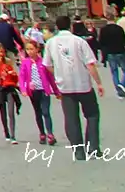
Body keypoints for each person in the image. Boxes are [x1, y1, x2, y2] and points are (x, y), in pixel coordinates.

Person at [42, 13, 104, 162]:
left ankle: (78, 151)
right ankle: (93, 148)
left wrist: (58, 74)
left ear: (57, 27)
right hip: (83, 84)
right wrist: (99, 82)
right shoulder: (79, 41)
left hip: (65, 86)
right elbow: (90, 64)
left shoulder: (51, 43)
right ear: (70, 25)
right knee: (92, 115)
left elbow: (47, 65)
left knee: (71, 118)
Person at [19, 37, 57, 147]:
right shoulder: (25, 63)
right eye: (27, 49)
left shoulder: (43, 62)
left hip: (44, 90)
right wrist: (23, 89)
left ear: (37, 49)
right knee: (38, 112)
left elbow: (50, 78)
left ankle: (50, 133)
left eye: (32, 49)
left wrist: (56, 91)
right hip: (33, 91)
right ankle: (42, 133)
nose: (29, 51)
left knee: (46, 111)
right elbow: (22, 77)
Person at [0, 44, 21, 144]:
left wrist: (13, 75)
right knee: (3, 112)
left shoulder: (8, 61)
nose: (1, 54)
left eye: (2, 52)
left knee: (11, 112)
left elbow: (15, 77)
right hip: (0, 89)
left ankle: (13, 135)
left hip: (10, 88)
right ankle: (6, 133)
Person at [95, 17, 125, 98]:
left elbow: (101, 42)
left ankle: (118, 89)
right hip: (120, 51)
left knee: (114, 72)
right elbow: (124, 40)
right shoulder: (119, 29)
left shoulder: (103, 30)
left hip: (110, 52)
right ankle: (122, 84)